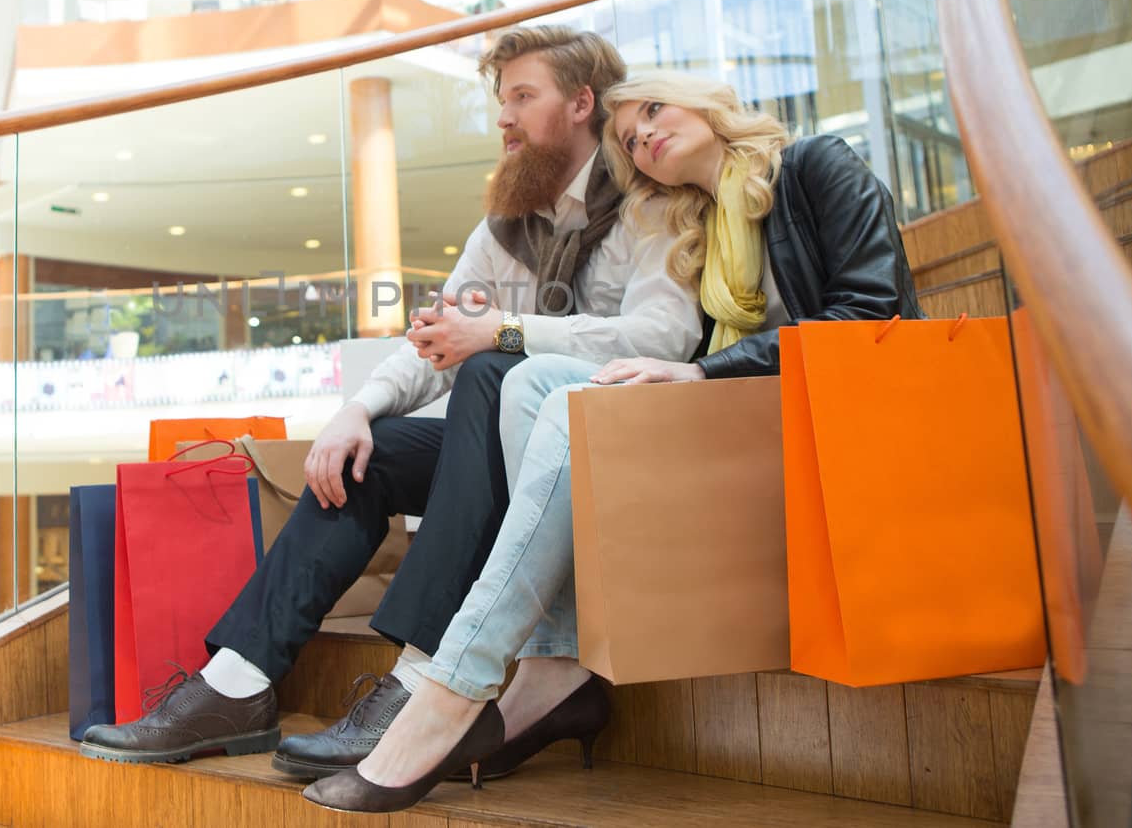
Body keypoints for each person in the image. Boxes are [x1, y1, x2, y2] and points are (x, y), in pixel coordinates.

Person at [80, 29, 701, 771]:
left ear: (579, 102)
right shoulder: (508, 224)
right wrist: (359, 410)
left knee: (489, 373)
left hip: (600, 450)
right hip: (508, 445)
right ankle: (235, 685)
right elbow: (436, 338)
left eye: (521, 97)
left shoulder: (648, 202)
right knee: (364, 460)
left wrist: (503, 332)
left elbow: (664, 335)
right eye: (499, 101)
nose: (502, 118)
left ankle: (416, 685)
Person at [304, 70, 923, 813]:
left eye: (656, 110)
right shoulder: (691, 228)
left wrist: (703, 371)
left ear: (706, 100)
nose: (647, 135)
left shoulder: (817, 166)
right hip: (746, 420)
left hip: (839, 423)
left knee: (564, 396)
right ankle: (553, 661)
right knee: (529, 382)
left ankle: (453, 684)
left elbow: (870, 318)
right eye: (631, 139)